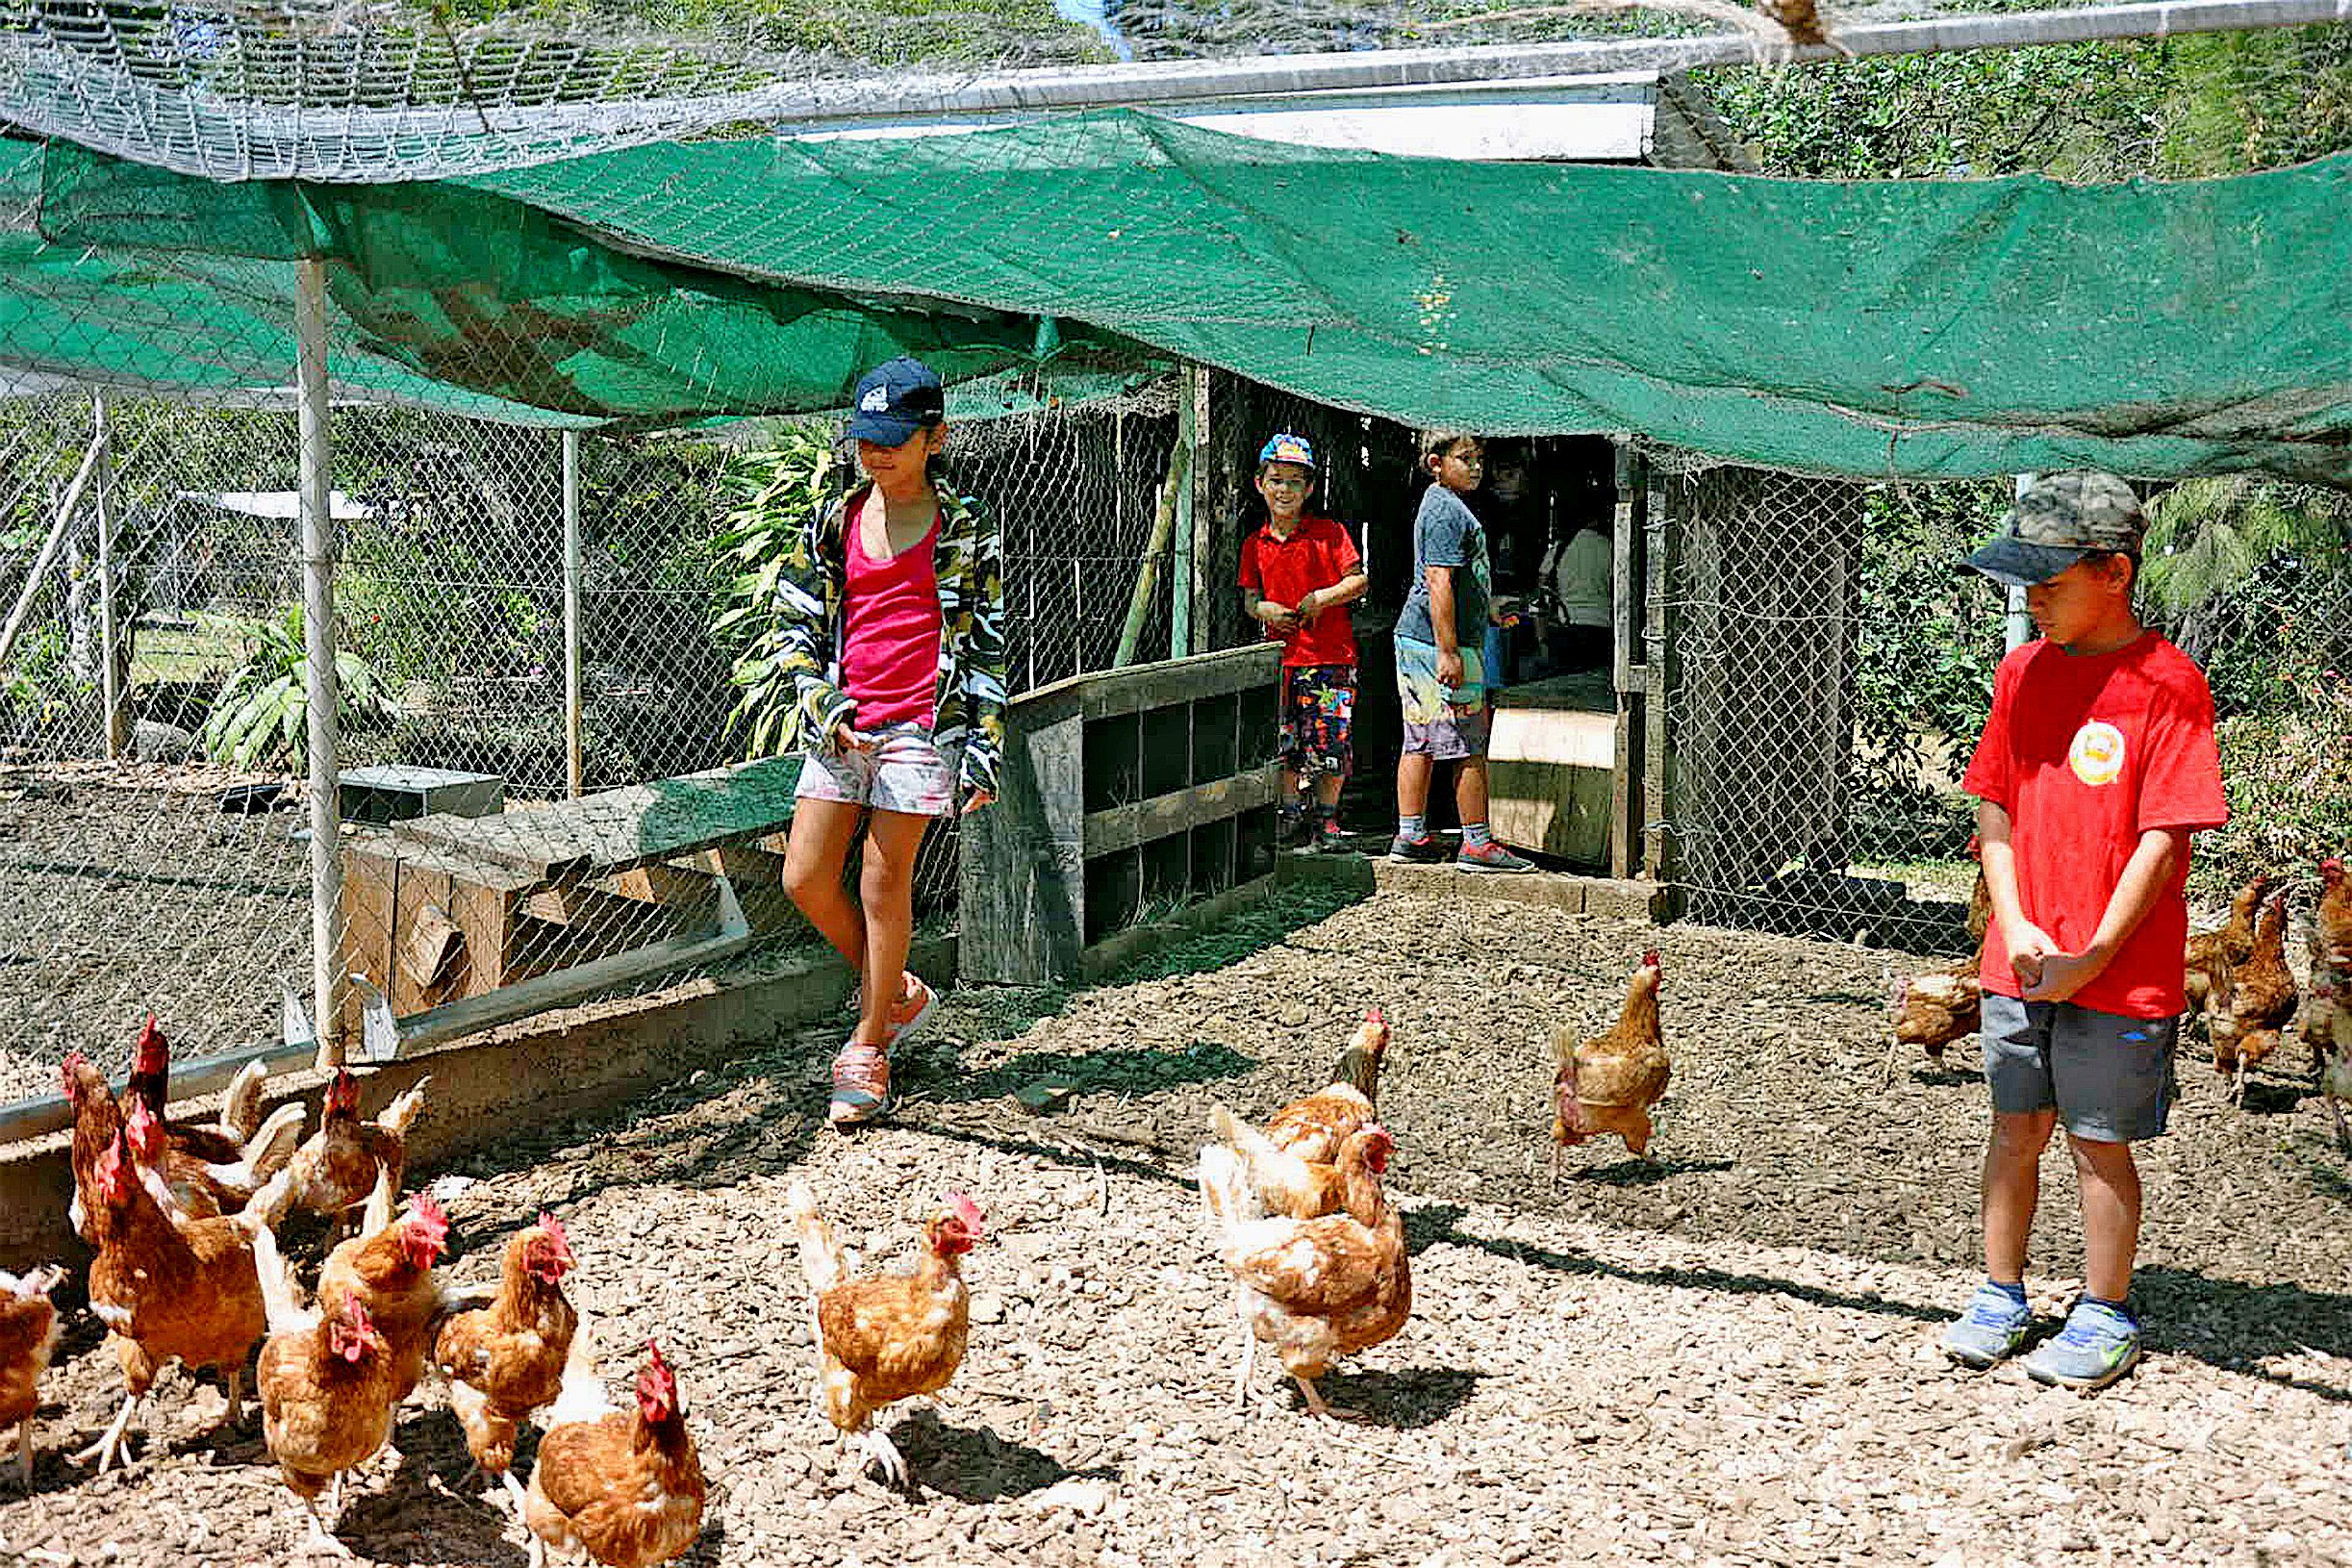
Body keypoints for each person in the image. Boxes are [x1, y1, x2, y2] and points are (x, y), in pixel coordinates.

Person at [1942, 470, 2226, 1389]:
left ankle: (2105, 1310)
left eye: (2049, 579)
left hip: (2119, 971)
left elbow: (2163, 838)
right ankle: (2000, 1292)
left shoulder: (2168, 683)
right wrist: (2018, 924)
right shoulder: (2020, 671)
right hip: (2019, 957)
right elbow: (1994, 807)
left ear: (2114, 571)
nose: (2030, 597)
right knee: (2013, 1127)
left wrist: (2093, 953)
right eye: (2023, 578)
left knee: (2097, 1143)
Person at [775, 356, 1006, 1127]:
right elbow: (796, 620)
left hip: (922, 725)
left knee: (882, 880)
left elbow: (986, 641)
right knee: (805, 877)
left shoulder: (965, 526)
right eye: (865, 438)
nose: (874, 453)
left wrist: (985, 746)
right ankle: (897, 992)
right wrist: (820, 699)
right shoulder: (834, 519)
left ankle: (869, 1044)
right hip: (844, 719)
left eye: (893, 439)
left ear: (935, 438)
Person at [1389, 431, 1534, 873]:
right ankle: (1477, 844)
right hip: (1438, 645)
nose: (1475, 467)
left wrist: (1487, 611)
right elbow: (1438, 581)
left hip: (1421, 640)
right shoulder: (1446, 512)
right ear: (1435, 463)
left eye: (1479, 459)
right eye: (1464, 458)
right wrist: (1449, 651)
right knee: (1470, 741)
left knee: (1420, 739)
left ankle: (1411, 836)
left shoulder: (1444, 505)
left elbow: (1459, 583)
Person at [1237, 432, 1369, 853]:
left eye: (1295, 482)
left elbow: (1358, 581)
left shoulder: (1329, 533)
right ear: (1260, 484)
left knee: (1331, 739)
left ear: (1310, 488)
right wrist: (1266, 611)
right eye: (1276, 480)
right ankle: (1291, 815)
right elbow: (1250, 599)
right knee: (1284, 741)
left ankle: (1327, 820)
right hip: (1282, 660)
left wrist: (1320, 599)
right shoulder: (1255, 544)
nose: (1285, 490)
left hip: (1330, 658)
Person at [1546, 515, 1612, 672]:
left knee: (1567, 679)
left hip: (1568, 621)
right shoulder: (1609, 545)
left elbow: (1543, 583)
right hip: (1602, 622)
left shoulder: (1560, 547)